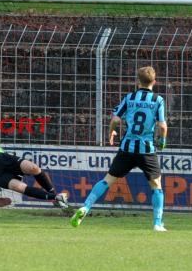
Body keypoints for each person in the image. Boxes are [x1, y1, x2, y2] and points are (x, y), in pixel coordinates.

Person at [70, 66, 168, 232]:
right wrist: (162, 140)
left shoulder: (129, 98)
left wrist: (111, 132)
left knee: (107, 180)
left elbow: (115, 119)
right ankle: (157, 223)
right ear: (154, 82)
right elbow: (162, 125)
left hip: (126, 148)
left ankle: (85, 207)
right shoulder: (157, 100)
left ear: (137, 82)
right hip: (146, 150)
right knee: (156, 186)